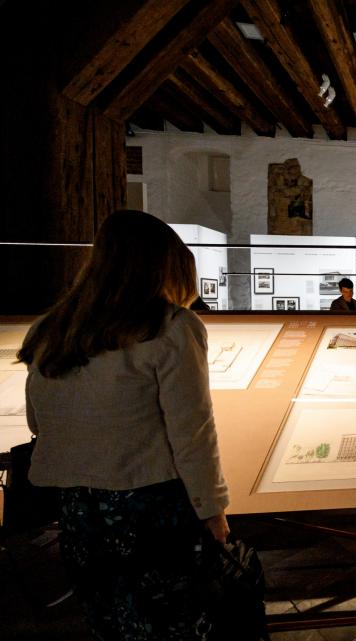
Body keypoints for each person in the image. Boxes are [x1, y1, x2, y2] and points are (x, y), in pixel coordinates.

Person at [17, 210, 230, 639]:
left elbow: (37, 419)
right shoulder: (172, 327)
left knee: (110, 621)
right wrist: (212, 508)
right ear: (166, 264)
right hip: (152, 506)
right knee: (175, 623)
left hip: (80, 509)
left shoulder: (52, 329)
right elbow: (192, 431)